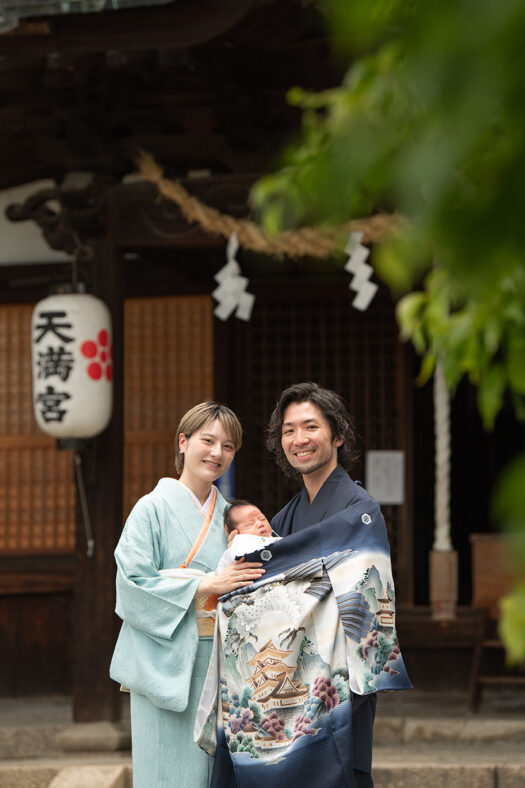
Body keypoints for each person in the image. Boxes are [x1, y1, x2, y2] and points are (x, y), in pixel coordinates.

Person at [109, 402, 265, 788]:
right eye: (207, 441)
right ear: (183, 442)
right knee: (165, 770)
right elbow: (131, 582)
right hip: (164, 659)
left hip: (219, 663)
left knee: (211, 774)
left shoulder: (231, 516)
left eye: (228, 446)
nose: (217, 453)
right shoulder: (151, 509)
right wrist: (203, 583)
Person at [265, 382, 385, 788]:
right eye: (288, 430)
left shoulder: (361, 510)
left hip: (341, 679)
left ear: (337, 435)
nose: (299, 439)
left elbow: (368, 604)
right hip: (294, 681)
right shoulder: (283, 520)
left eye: (310, 427)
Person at [215, 499, 281, 573]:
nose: (260, 524)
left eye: (263, 519)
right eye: (250, 524)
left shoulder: (276, 539)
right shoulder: (237, 546)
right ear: (235, 533)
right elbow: (221, 571)